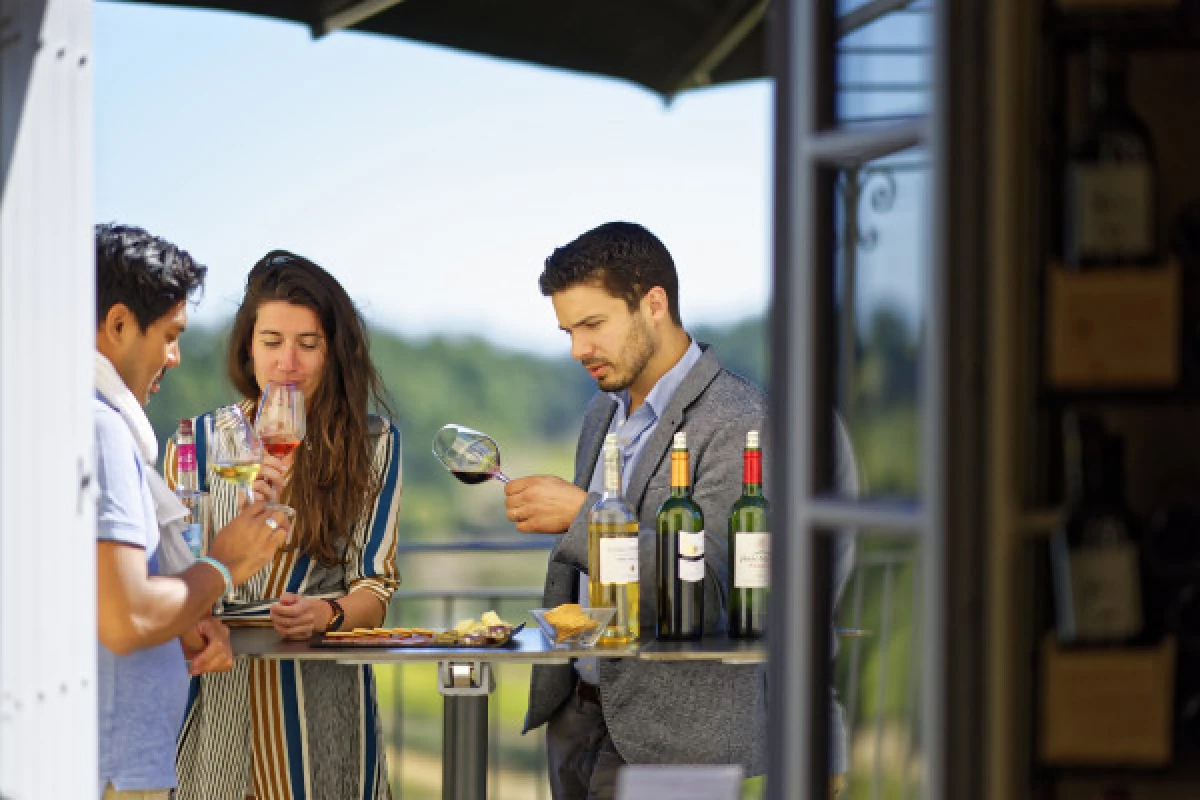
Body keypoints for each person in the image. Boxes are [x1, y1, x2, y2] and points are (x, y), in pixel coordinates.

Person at [504, 221, 858, 799]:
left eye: (592, 325)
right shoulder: (602, 413)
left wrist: (581, 516)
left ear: (654, 304)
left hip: (676, 736)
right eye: (568, 330)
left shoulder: (742, 422)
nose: (577, 350)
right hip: (579, 717)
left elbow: (715, 589)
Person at [166, 250, 403, 800]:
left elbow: (376, 584)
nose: (287, 363)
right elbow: (172, 577)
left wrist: (328, 611)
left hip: (317, 698)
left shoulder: (372, 444)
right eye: (271, 342)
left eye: (308, 344)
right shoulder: (196, 442)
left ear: (334, 352)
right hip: (218, 689)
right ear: (248, 348)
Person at [94, 223, 291, 800]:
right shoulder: (101, 430)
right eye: (171, 335)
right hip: (114, 768)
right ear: (119, 324)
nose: (176, 357)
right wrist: (223, 566)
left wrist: (179, 614)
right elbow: (126, 618)